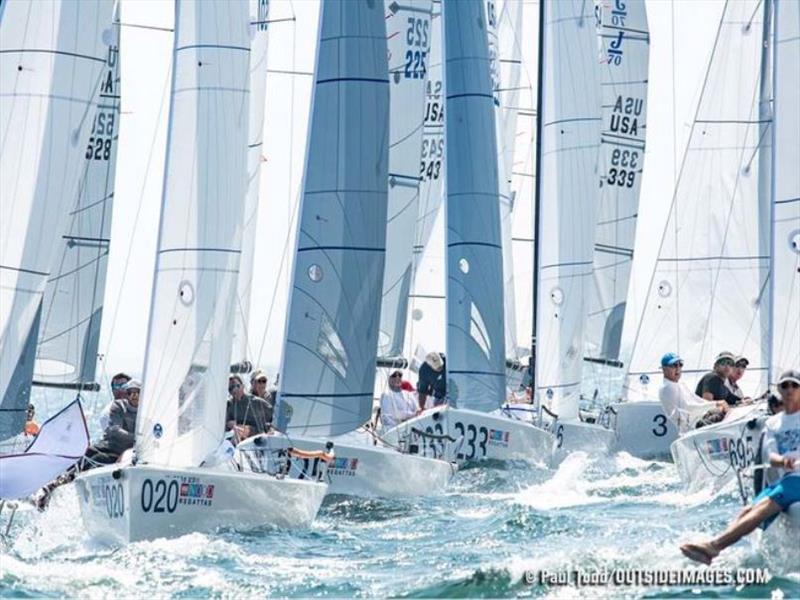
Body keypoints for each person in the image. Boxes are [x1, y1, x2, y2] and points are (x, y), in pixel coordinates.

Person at [680, 369, 800, 565]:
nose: (789, 390)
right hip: (789, 481)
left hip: (795, 481)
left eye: (795, 385)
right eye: (785, 385)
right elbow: (770, 455)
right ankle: (718, 547)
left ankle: (714, 546)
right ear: (779, 389)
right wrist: (783, 461)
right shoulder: (773, 423)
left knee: (765, 506)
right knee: (749, 509)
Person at [35, 379, 141, 510]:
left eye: (137, 392)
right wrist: (136, 438)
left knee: (97, 460)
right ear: (127, 394)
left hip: (123, 455)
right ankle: (52, 486)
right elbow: (115, 430)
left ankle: (71, 489)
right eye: (131, 392)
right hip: (110, 446)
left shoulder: (145, 411)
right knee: (86, 453)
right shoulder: (118, 406)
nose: (134, 395)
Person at [658, 353, 727, 433]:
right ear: (664, 369)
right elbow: (688, 407)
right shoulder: (667, 387)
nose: (678, 368)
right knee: (723, 411)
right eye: (673, 365)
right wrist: (715, 404)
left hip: (699, 422)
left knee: (725, 409)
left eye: (680, 365)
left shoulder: (680, 384)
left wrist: (715, 404)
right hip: (693, 429)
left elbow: (696, 400)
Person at [226, 374, 272, 444]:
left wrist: (250, 430)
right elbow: (222, 427)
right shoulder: (229, 405)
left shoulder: (257, 402)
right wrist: (228, 424)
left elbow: (275, 418)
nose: (235, 390)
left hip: (257, 440)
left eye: (237, 386)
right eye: (231, 388)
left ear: (243, 386)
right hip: (237, 441)